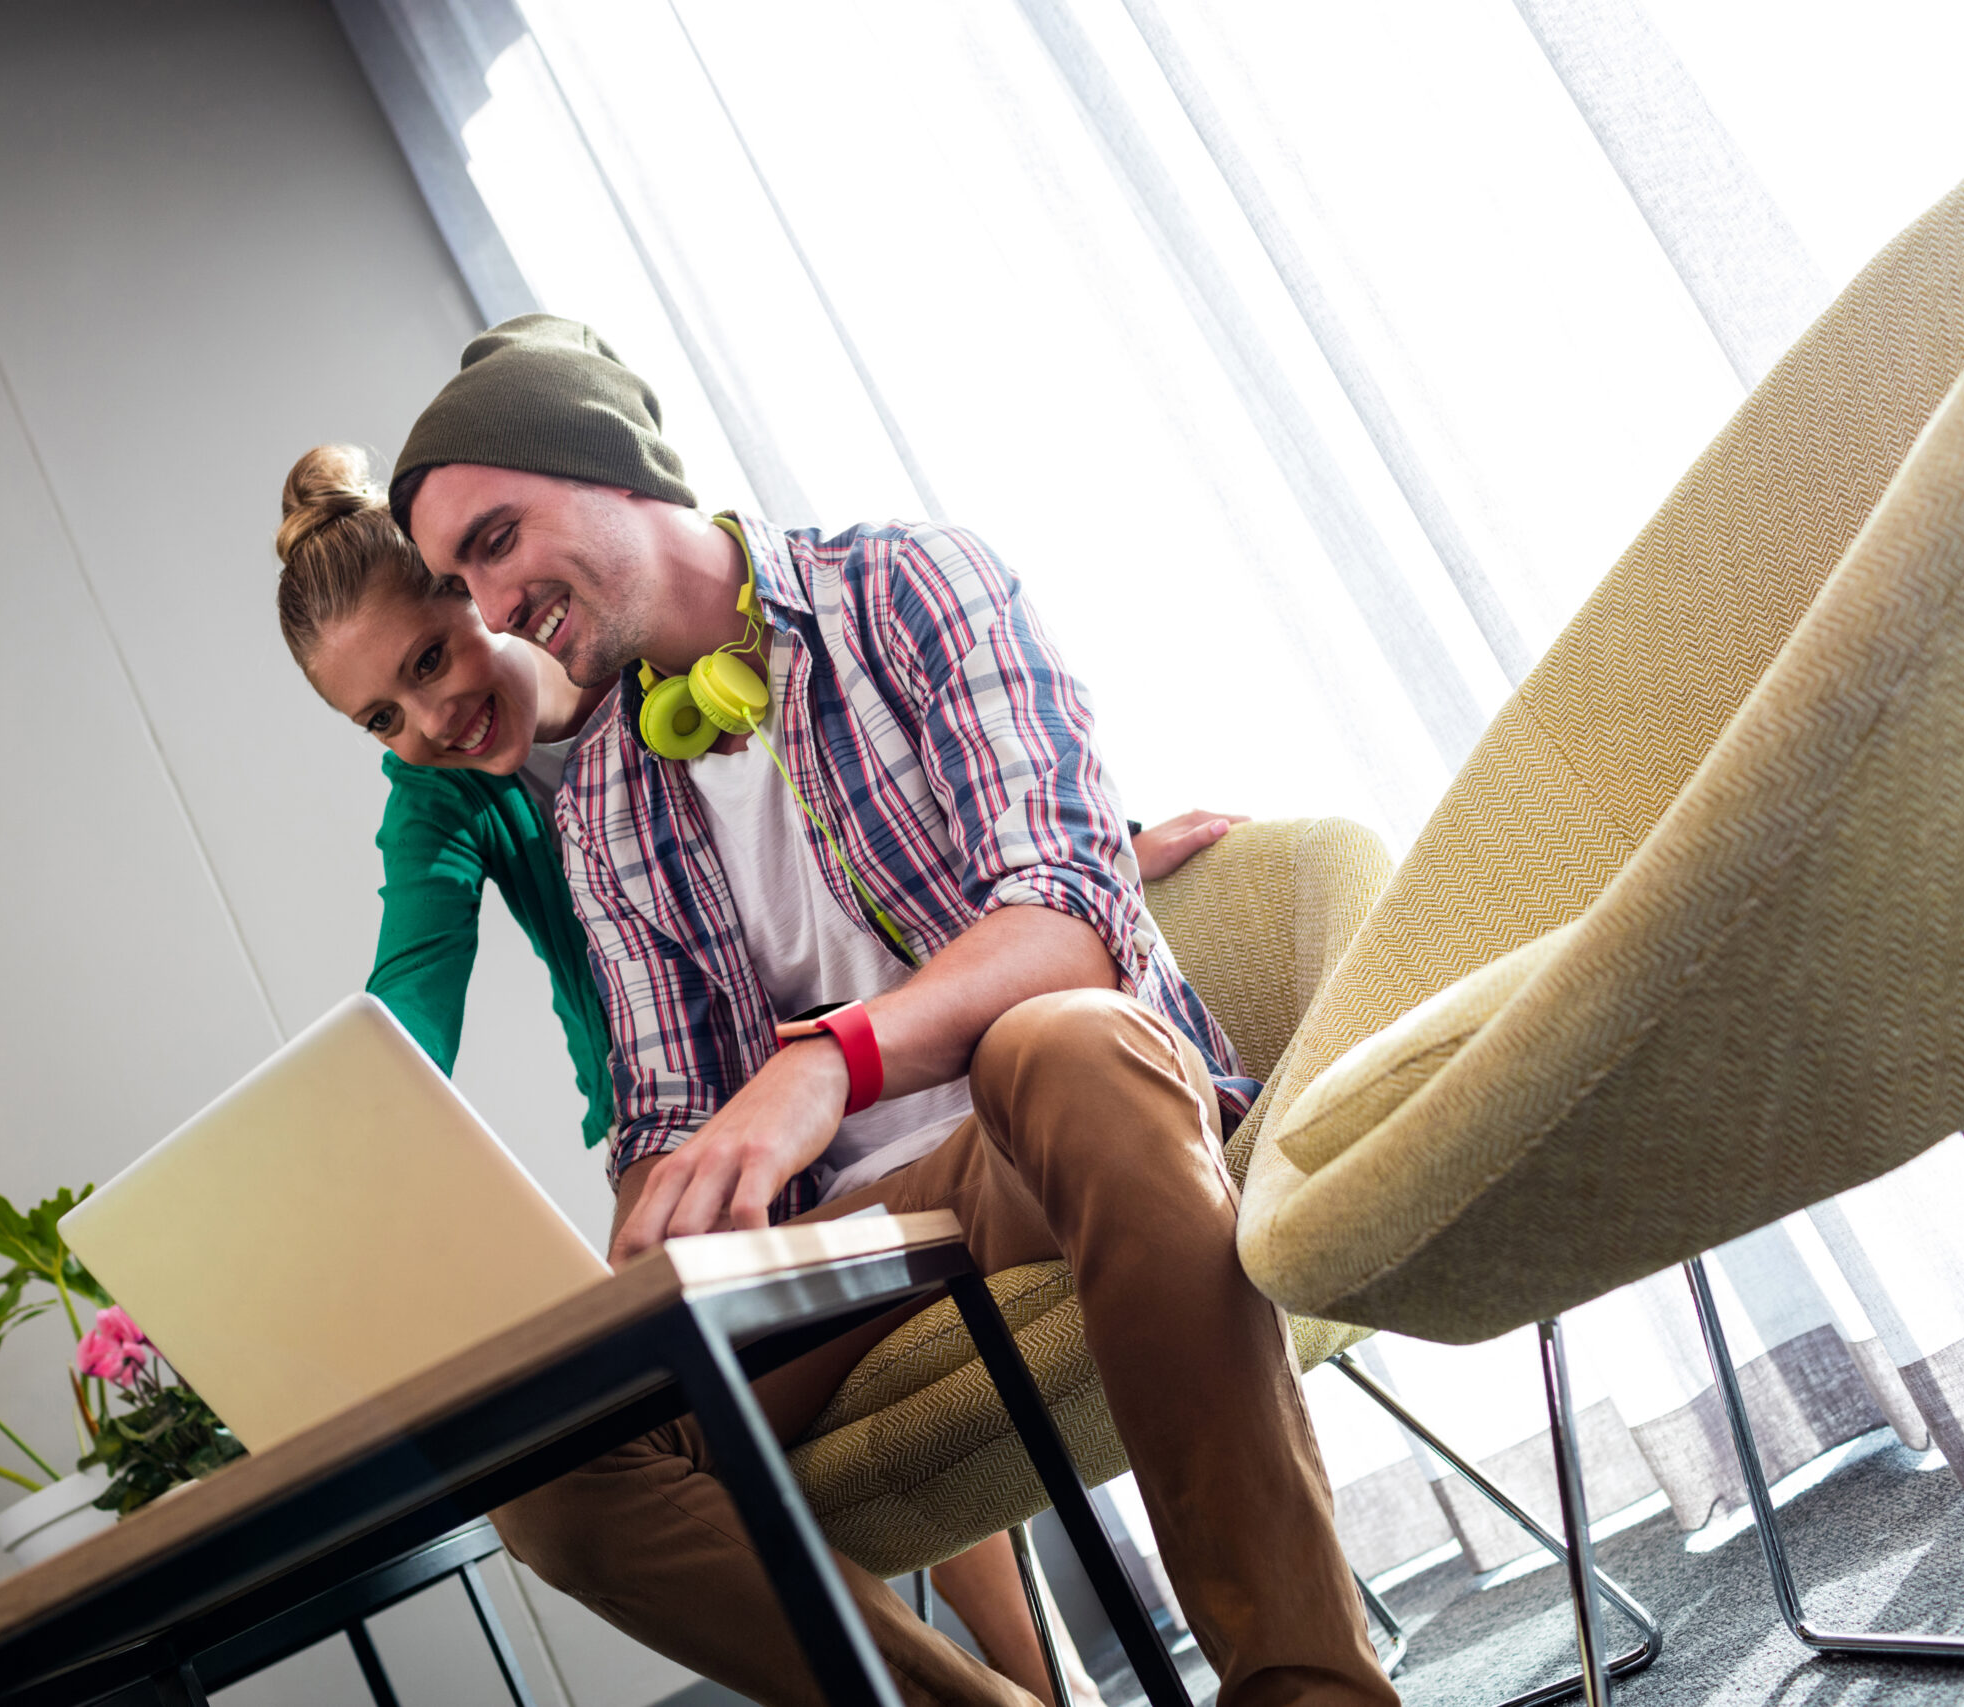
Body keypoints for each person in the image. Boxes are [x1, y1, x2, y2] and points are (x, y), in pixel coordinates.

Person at [383, 314, 1397, 1707]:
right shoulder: (609, 798)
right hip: (837, 1245)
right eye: (458, 578)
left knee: (1066, 1044)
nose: (488, 607)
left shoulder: (908, 584)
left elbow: (1064, 928)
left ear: (613, 467)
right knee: (546, 1465)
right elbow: (673, 1111)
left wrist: (821, 1066)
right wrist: (657, 1204)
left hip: (1056, 1127)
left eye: (494, 540)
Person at [270, 443, 1241, 1706]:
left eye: (428, 663)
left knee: (996, 1139)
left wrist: (1082, 872)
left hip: (862, 1075)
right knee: (602, 1420)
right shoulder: (461, 800)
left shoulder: (713, 662)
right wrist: (348, 1145)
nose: (429, 722)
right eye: (381, 721)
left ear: (481, 594)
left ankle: (1067, 1676)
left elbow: (894, 841)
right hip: (691, 1104)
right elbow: (417, 987)